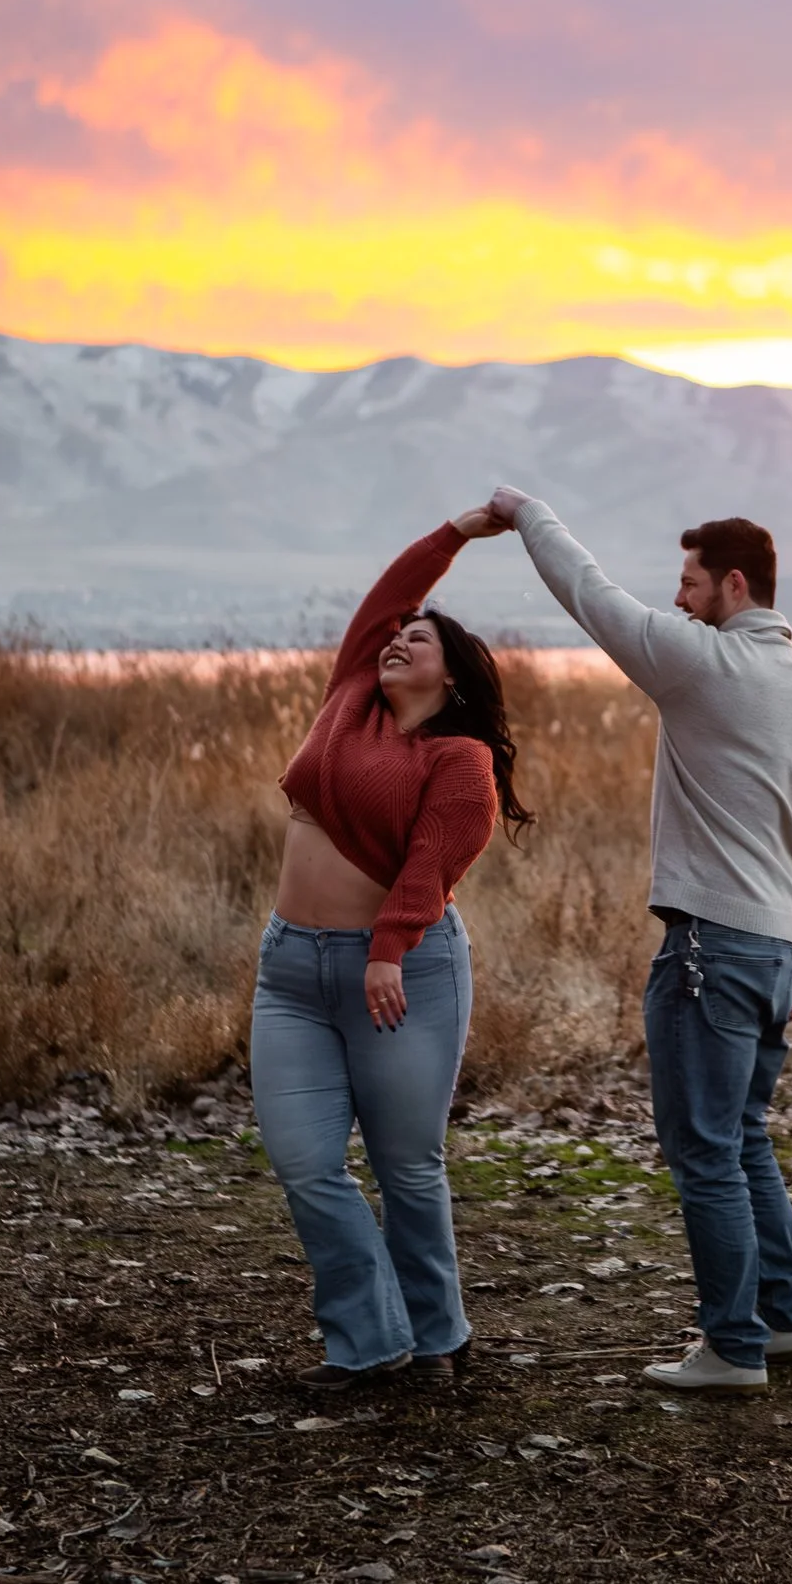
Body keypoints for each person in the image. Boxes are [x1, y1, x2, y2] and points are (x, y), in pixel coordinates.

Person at [488, 489, 792, 1395]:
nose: (678, 600)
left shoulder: (701, 664)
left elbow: (588, 591)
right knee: (746, 1139)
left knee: (703, 1151)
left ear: (733, 584)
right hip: (775, 948)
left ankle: (731, 1347)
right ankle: (785, 1321)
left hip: (711, 948)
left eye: (689, 584)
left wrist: (525, 511)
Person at [251, 508, 533, 1392]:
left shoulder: (458, 756)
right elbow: (389, 596)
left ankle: (439, 1339)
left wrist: (387, 949)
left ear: (453, 677)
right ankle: (371, 1341)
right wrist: (456, 531)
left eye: (421, 638)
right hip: (291, 970)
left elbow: (432, 862)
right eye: (396, 635)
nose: (398, 640)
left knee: (408, 1166)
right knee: (306, 1165)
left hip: (403, 975)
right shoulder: (347, 701)